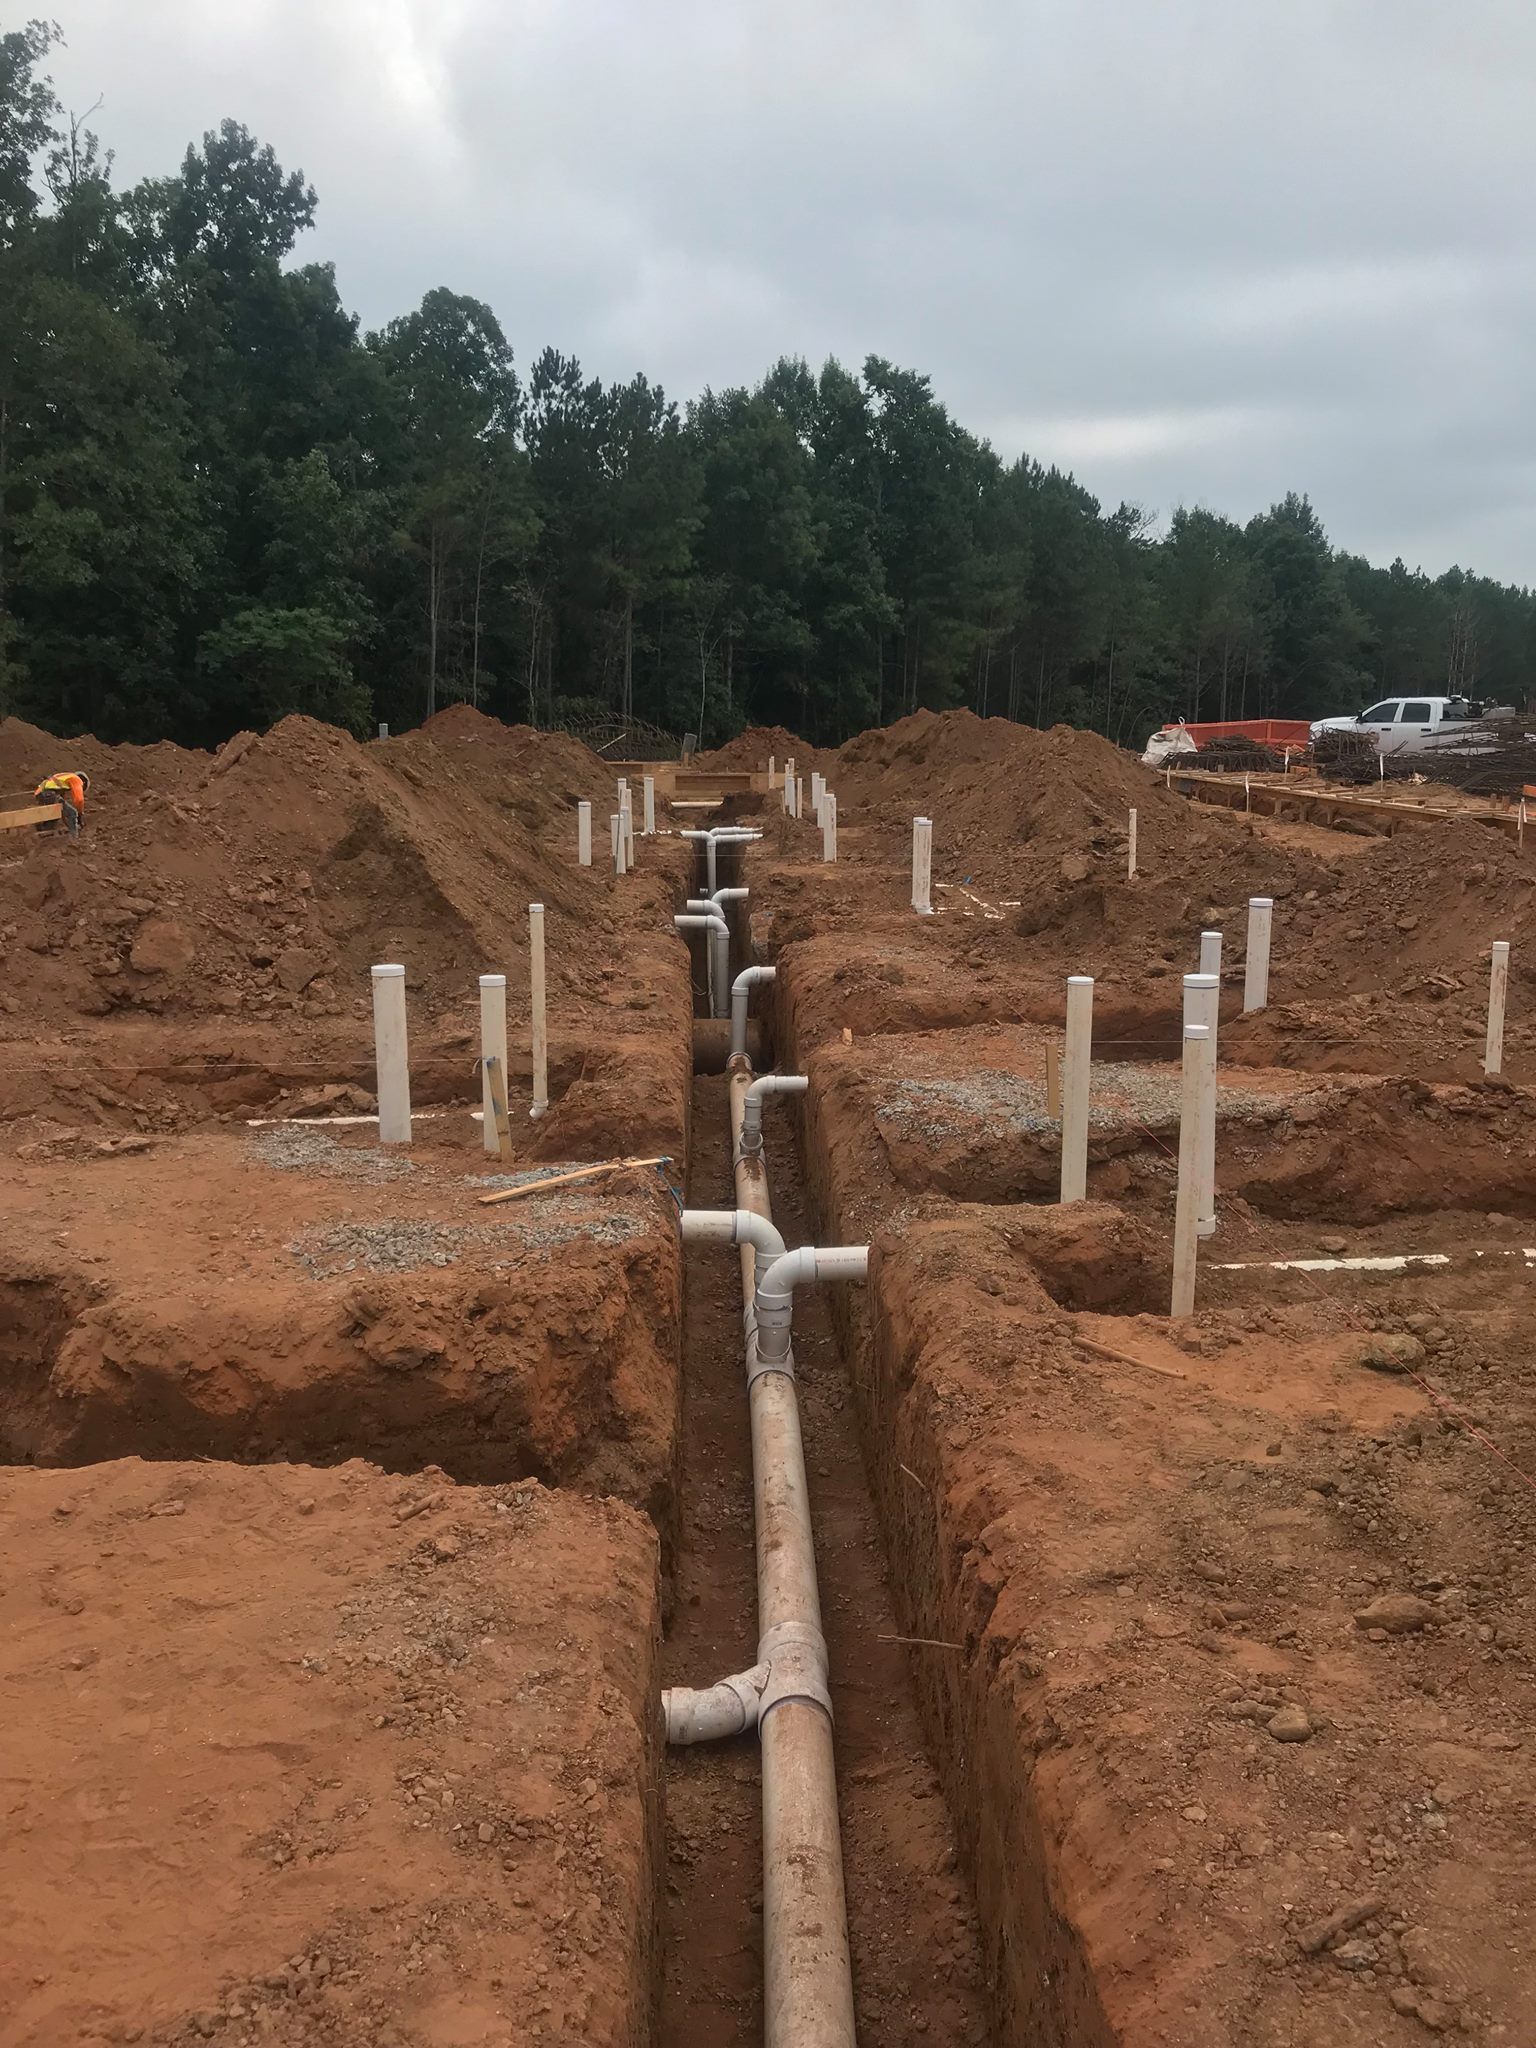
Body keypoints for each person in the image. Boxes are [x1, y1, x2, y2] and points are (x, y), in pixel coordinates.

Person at [33, 770, 89, 839]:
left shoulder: (64, 778)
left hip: (41, 794)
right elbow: (79, 800)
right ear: (83, 782)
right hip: (49, 794)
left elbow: (63, 810)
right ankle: (74, 838)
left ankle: (44, 832)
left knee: (55, 815)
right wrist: (79, 815)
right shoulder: (76, 779)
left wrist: (68, 824)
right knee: (73, 813)